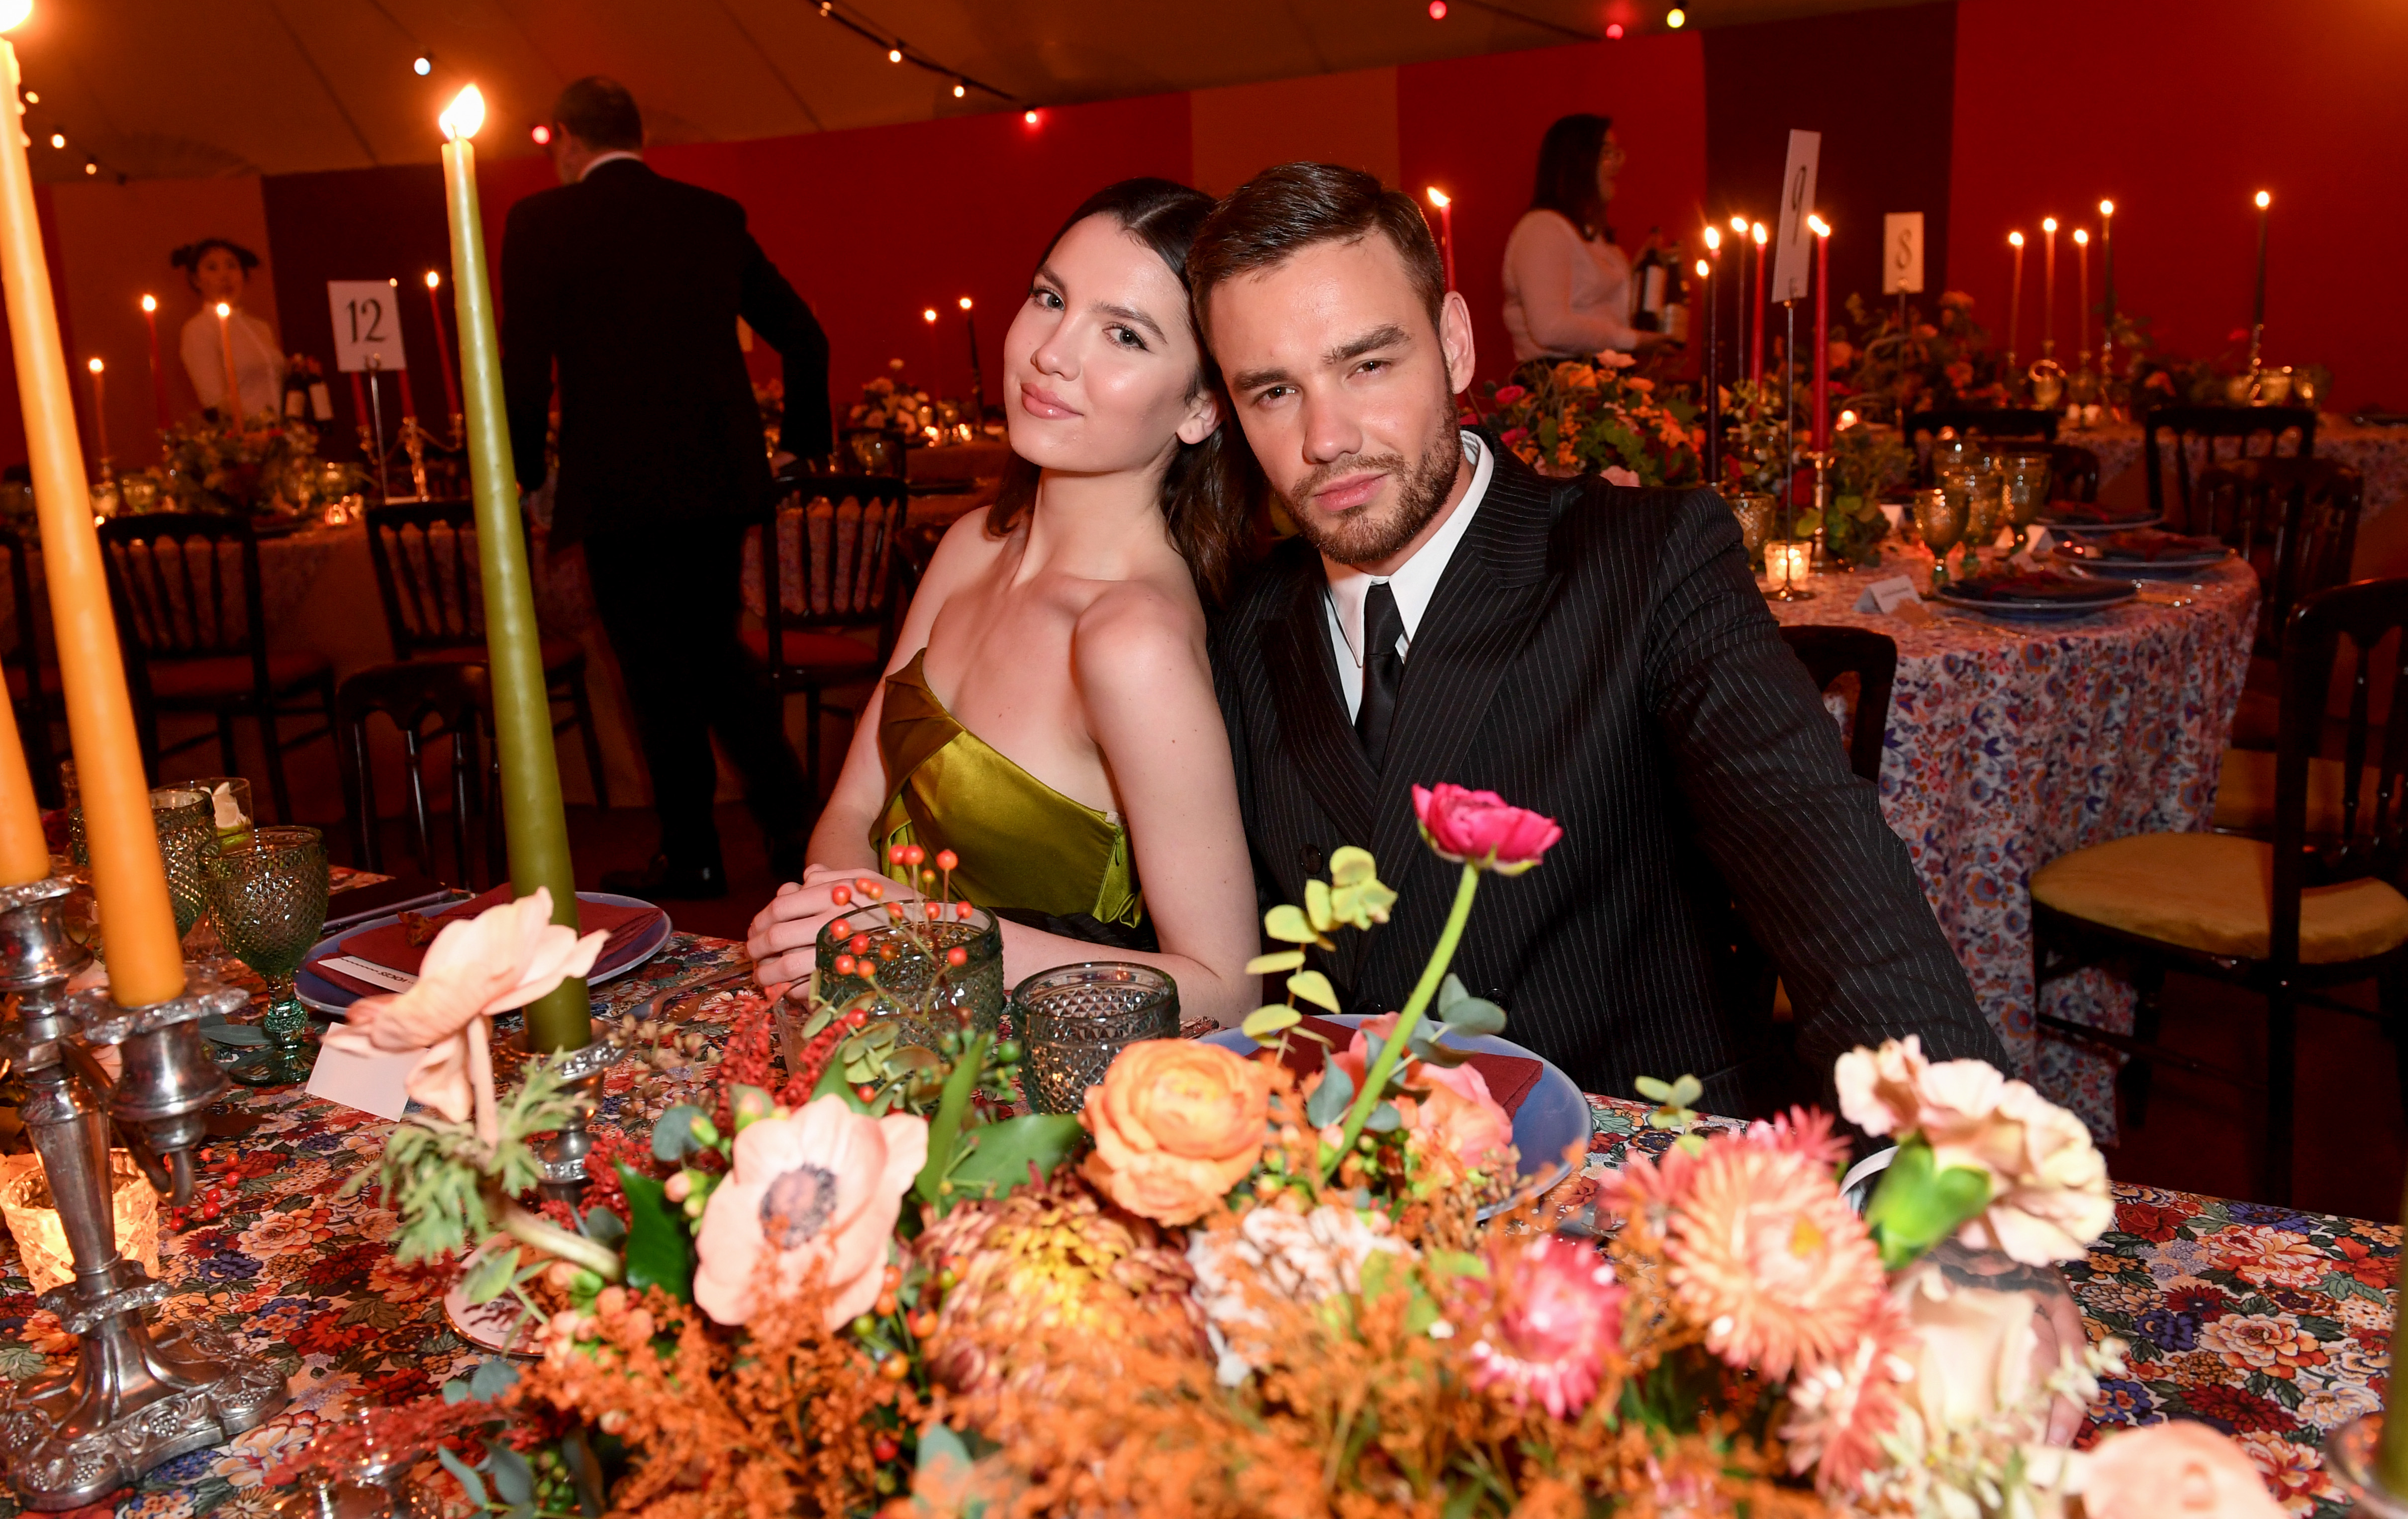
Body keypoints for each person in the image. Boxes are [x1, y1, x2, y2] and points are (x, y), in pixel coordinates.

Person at [1190, 161, 2005, 1107]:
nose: (1325, 437)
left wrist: (1953, 1152)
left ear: (1454, 344)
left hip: (1638, 1184)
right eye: (1273, 394)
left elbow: (1829, 875)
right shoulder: (1243, 633)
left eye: (1367, 365)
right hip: (1366, 1209)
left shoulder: (1644, 561)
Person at [743, 179, 1262, 1027]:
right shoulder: (972, 547)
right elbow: (849, 811)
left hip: (1026, 1101)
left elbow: (1228, 992)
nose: (1051, 353)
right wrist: (839, 918)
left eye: (1123, 335)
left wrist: (916, 935)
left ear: (1203, 407)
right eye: (1050, 298)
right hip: (882, 1038)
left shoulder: (1131, 640)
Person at [501, 76, 828, 900]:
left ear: (567, 140)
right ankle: (795, 828)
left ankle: (696, 856)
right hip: (716, 481)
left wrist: (527, 475)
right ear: (637, 135)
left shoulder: (541, 223)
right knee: (716, 656)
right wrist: (801, 448)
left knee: (655, 673)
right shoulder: (709, 215)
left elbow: (523, 364)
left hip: (616, 487)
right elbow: (804, 335)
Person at [1499, 114, 1677, 365]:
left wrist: (1641, 271)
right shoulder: (1543, 228)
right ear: (1577, 161)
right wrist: (1632, 340)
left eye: (1618, 153)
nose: (1617, 164)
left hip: (1602, 376)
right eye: (1607, 153)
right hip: (1560, 384)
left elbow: (1601, 309)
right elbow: (1550, 327)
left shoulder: (1596, 237)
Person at [171, 238, 287, 418]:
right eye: (212, 268)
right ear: (196, 280)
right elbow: (213, 398)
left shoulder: (261, 327)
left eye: (232, 266)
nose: (225, 276)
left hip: (280, 434)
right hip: (242, 437)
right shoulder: (199, 329)